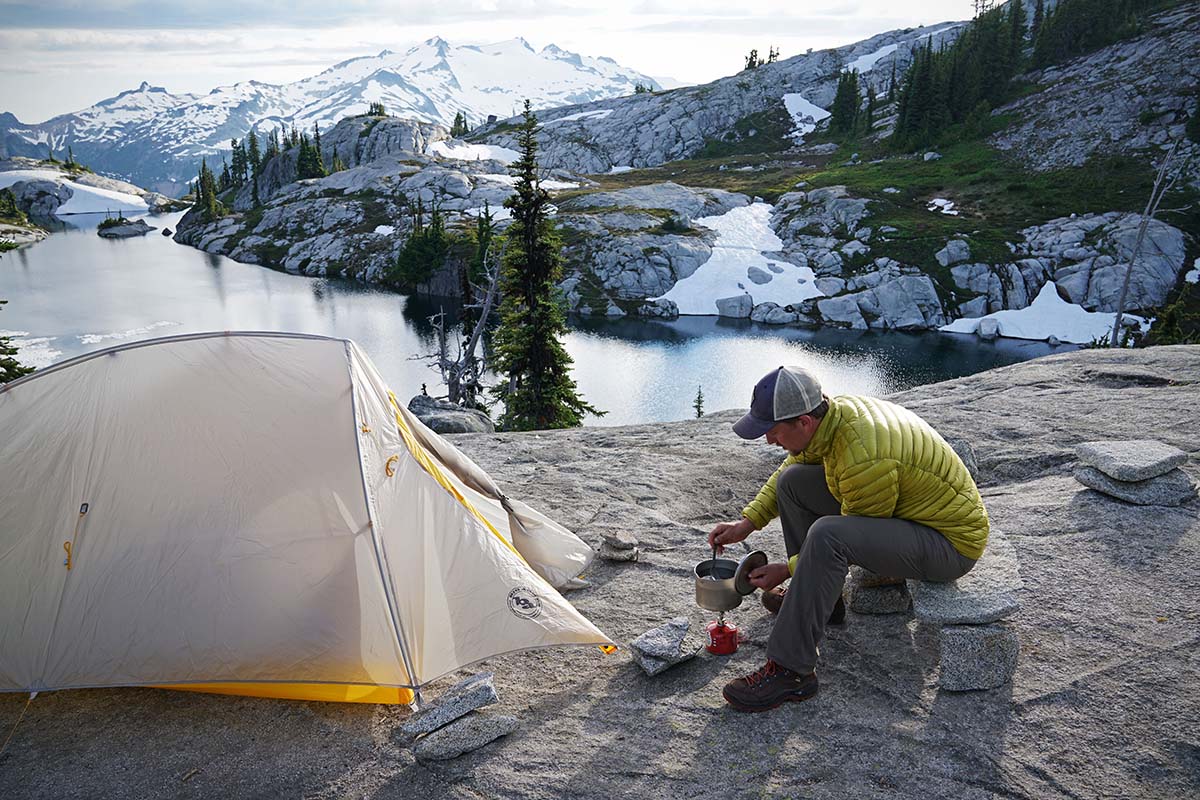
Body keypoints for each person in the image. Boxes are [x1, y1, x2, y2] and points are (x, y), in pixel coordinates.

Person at [709, 365, 988, 712]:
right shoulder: (831, 419)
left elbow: (851, 532)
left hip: (948, 544)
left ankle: (792, 671)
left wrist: (790, 568)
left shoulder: (862, 454)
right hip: (910, 518)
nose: (769, 439)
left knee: (829, 535)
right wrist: (746, 524)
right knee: (792, 483)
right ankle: (821, 604)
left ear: (804, 422)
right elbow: (790, 469)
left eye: (773, 431)